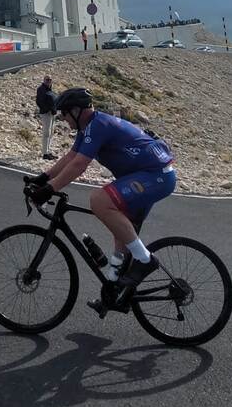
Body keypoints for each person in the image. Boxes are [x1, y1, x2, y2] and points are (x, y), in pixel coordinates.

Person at [27, 87, 176, 302]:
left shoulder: (99, 125)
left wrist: (49, 190)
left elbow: (79, 165)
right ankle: (115, 288)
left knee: (99, 200)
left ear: (77, 111)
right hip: (147, 176)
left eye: (64, 114)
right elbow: (71, 158)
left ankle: (145, 260)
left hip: (156, 176)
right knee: (120, 227)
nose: (63, 119)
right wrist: (42, 179)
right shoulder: (88, 128)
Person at [35, 75, 58, 160]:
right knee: (46, 133)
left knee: (51, 132)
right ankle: (45, 153)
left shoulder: (50, 89)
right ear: (44, 80)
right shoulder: (41, 89)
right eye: (47, 79)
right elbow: (39, 102)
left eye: (50, 80)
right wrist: (47, 109)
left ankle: (48, 151)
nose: (48, 81)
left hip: (52, 113)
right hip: (46, 113)